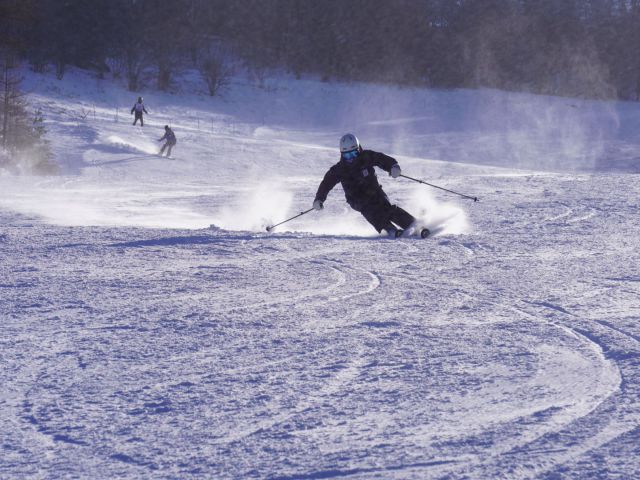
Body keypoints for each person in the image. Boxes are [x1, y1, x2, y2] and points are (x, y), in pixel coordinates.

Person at [313, 133, 418, 237]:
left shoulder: (366, 157)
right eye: (347, 155)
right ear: (342, 154)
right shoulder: (340, 169)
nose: (350, 159)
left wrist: (393, 167)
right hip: (356, 198)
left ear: (358, 149)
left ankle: (413, 224)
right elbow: (326, 184)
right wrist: (319, 199)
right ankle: (389, 229)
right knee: (370, 211)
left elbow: (381, 159)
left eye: (353, 154)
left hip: (374, 192)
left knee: (387, 208)